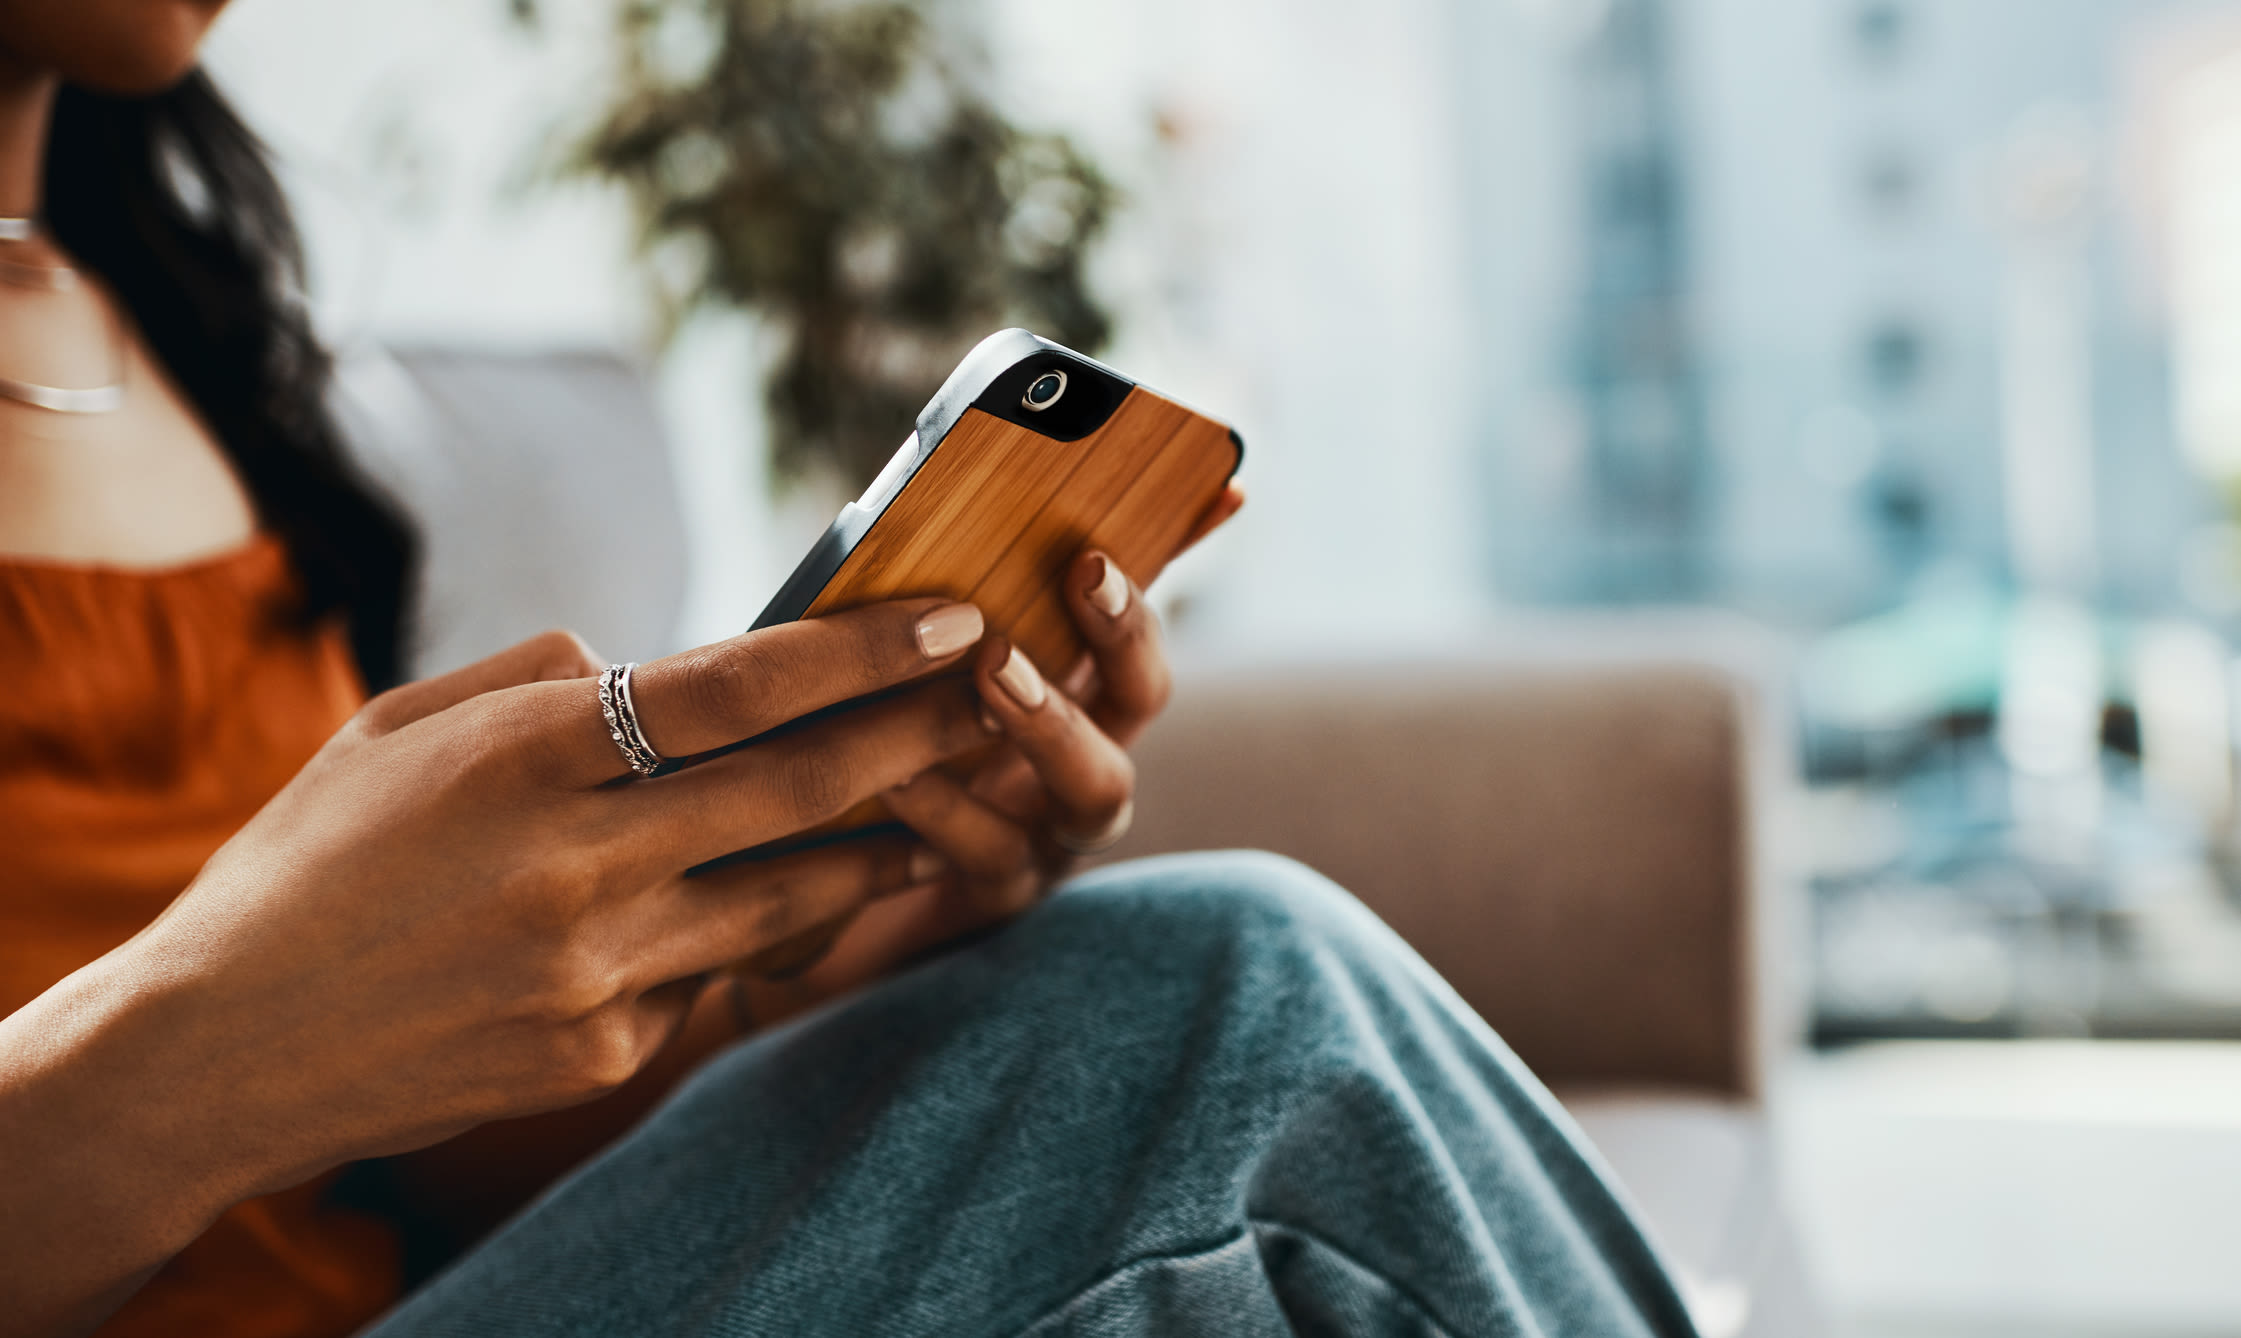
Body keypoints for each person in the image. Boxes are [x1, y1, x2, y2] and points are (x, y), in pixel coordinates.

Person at [0, 5, 1702, 1338]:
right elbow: (235, 1076)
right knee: (1239, 1001)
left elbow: (371, 1166)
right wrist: (202, 1046)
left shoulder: (167, 317)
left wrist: (806, 963)